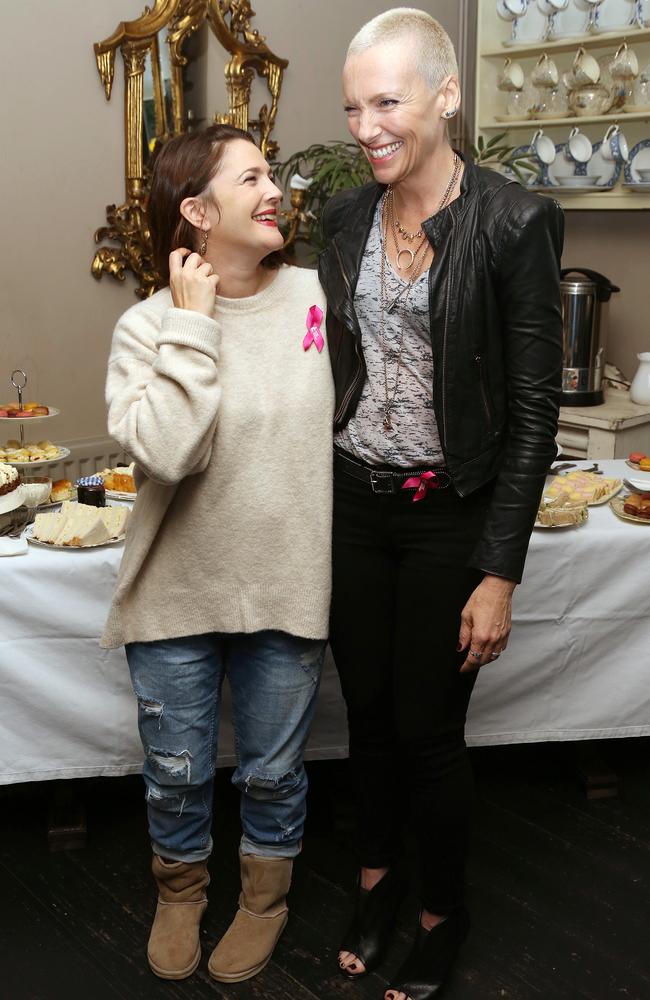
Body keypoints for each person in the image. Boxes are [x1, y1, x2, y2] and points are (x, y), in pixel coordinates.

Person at [317, 9, 563, 1000]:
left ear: (445, 96)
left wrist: (497, 569)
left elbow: (534, 408)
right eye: (351, 107)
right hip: (351, 501)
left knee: (425, 727)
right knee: (364, 717)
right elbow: (336, 365)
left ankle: (438, 910)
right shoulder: (341, 218)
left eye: (386, 101)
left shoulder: (512, 220)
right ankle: (377, 883)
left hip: (444, 512)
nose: (365, 127)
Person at [101, 124, 334, 984]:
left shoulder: (319, 298)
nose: (275, 190)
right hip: (174, 591)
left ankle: (265, 899)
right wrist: (194, 328)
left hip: (287, 579)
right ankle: (181, 891)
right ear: (198, 210)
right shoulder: (146, 327)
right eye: (253, 178)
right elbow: (168, 452)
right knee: (176, 772)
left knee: (273, 774)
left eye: (271, 174)